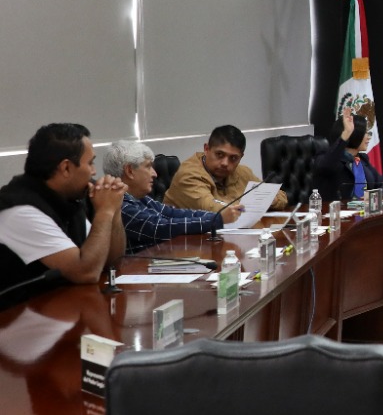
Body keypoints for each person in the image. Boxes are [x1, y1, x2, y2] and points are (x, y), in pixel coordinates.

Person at [0, 123, 126, 292]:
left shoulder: (68, 199)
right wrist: (105, 211)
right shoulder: (20, 211)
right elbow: (86, 272)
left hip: (60, 302)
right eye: (90, 163)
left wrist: (115, 208)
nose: (94, 172)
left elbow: (111, 261)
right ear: (66, 168)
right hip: (20, 307)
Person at [107, 139, 239, 253]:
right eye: (148, 167)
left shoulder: (140, 198)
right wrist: (216, 220)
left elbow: (173, 213)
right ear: (130, 171)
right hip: (137, 270)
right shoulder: (121, 205)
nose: (154, 174)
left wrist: (217, 215)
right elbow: (160, 227)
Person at [165, 124, 288, 213]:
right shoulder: (188, 175)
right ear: (206, 149)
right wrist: (256, 203)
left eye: (233, 158)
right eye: (219, 154)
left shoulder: (242, 172)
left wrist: (266, 199)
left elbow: (281, 196)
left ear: (241, 157)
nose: (225, 163)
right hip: (182, 239)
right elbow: (214, 210)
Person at [314, 110, 383, 205]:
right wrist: (346, 134)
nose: (369, 137)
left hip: (363, 211)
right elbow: (327, 166)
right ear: (354, 134)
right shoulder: (327, 158)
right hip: (337, 211)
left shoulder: (361, 160)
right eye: (365, 133)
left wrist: (375, 194)